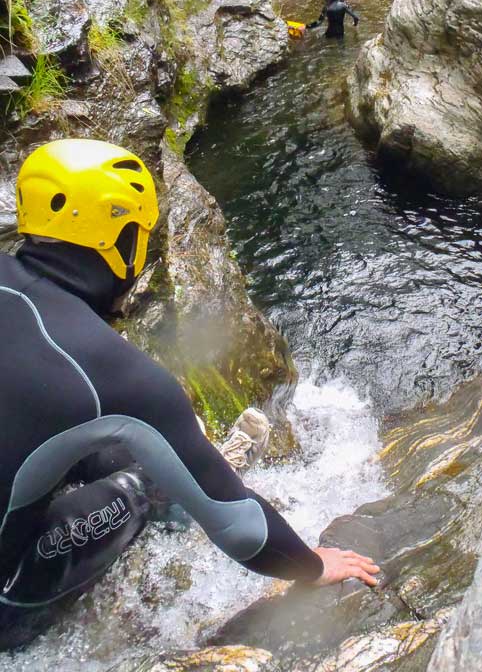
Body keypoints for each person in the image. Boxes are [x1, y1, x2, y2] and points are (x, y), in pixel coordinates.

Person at [0, 139, 379, 651]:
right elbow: (241, 530)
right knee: (150, 477)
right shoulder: (115, 373)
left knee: (79, 440)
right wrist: (313, 566)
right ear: (122, 240)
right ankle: (171, 478)